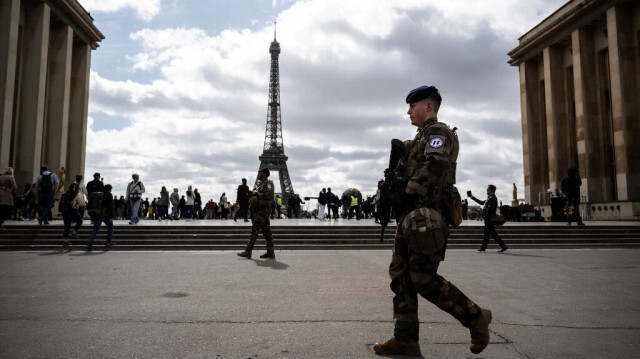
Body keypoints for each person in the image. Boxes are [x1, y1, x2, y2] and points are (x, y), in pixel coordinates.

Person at [374, 86, 492, 357]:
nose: (408, 111)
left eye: (412, 106)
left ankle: (475, 317)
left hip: (428, 217)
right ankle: (405, 339)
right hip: (411, 217)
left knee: (423, 277)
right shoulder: (418, 138)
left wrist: (407, 188)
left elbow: (436, 163)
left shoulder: (438, 133)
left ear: (428, 106)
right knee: (400, 277)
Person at [237, 168, 276, 259]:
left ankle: (248, 251)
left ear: (265, 174)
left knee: (255, 229)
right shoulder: (261, 184)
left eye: (260, 173)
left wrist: (256, 193)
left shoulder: (268, 184)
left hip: (264, 210)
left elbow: (267, 196)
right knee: (267, 232)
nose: (258, 174)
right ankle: (270, 252)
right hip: (261, 209)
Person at [469, 185, 509, 253]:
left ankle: (502, 246)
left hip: (489, 219)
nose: (486, 190)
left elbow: (491, 209)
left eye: (487, 189)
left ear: (491, 190)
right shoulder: (490, 198)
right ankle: (486, 247)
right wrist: (472, 197)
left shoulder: (493, 198)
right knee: (489, 234)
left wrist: (486, 216)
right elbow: (481, 202)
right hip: (488, 219)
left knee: (490, 234)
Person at [86, 184, 114, 251]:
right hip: (105, 214)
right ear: (109, 189)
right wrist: (111, 216)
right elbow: (110, 207)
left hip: (97, 213)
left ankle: (89, 244)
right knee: (110, 227)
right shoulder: (108, 195)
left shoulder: (99, 194)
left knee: (95, 230)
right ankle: (108, 242)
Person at [59, 183, 83, 247]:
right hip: (72, 211)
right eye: (78, 188)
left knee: (67, 226)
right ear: (76, 189)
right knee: (80, 221)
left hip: (64, 212)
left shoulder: (65, 194)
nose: (78, 190)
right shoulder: (77, 195)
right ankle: (74, 231)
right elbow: (82, 204)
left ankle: (65, 240)